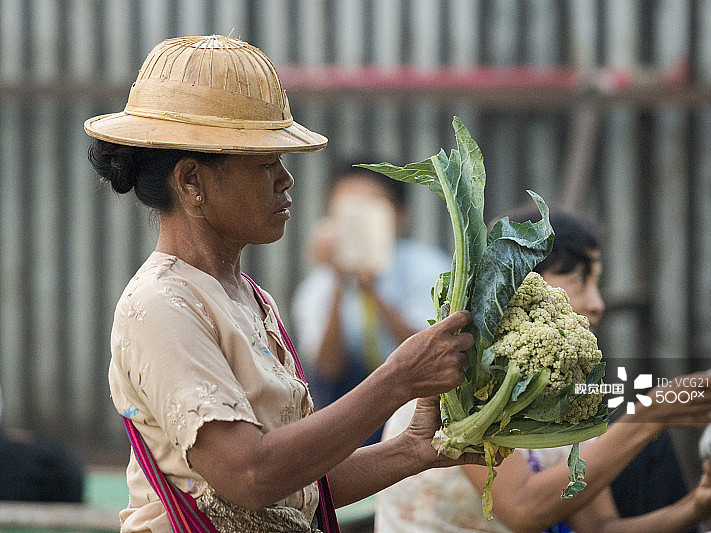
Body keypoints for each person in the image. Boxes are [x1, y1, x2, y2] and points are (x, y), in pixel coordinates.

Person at [84, 34, 485, 532]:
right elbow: (250, 475)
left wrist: (413, 449)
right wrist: (398, 379)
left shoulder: (248, 296)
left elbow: (297, 489)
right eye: (263, 164)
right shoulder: (161, 303)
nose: (286, 179)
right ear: (191, 182)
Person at [376, 210, 711, 533]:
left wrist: (698, 505)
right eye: (580, 281)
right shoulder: (460, 380)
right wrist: (646, 418)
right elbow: (522, 509)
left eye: (597, 283)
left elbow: (600, 529)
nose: (597, 304)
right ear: (518, 284)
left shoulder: (559, 396)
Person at [291, 163, 451, 445]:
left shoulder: (428, 268)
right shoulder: (319, 285)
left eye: (370, 209)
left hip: (418, 406)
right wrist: (339, 282)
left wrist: (371, 290)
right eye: (347, 211)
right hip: (351, 416)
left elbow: (434, 349)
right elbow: (328, 370)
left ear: (400, 216)